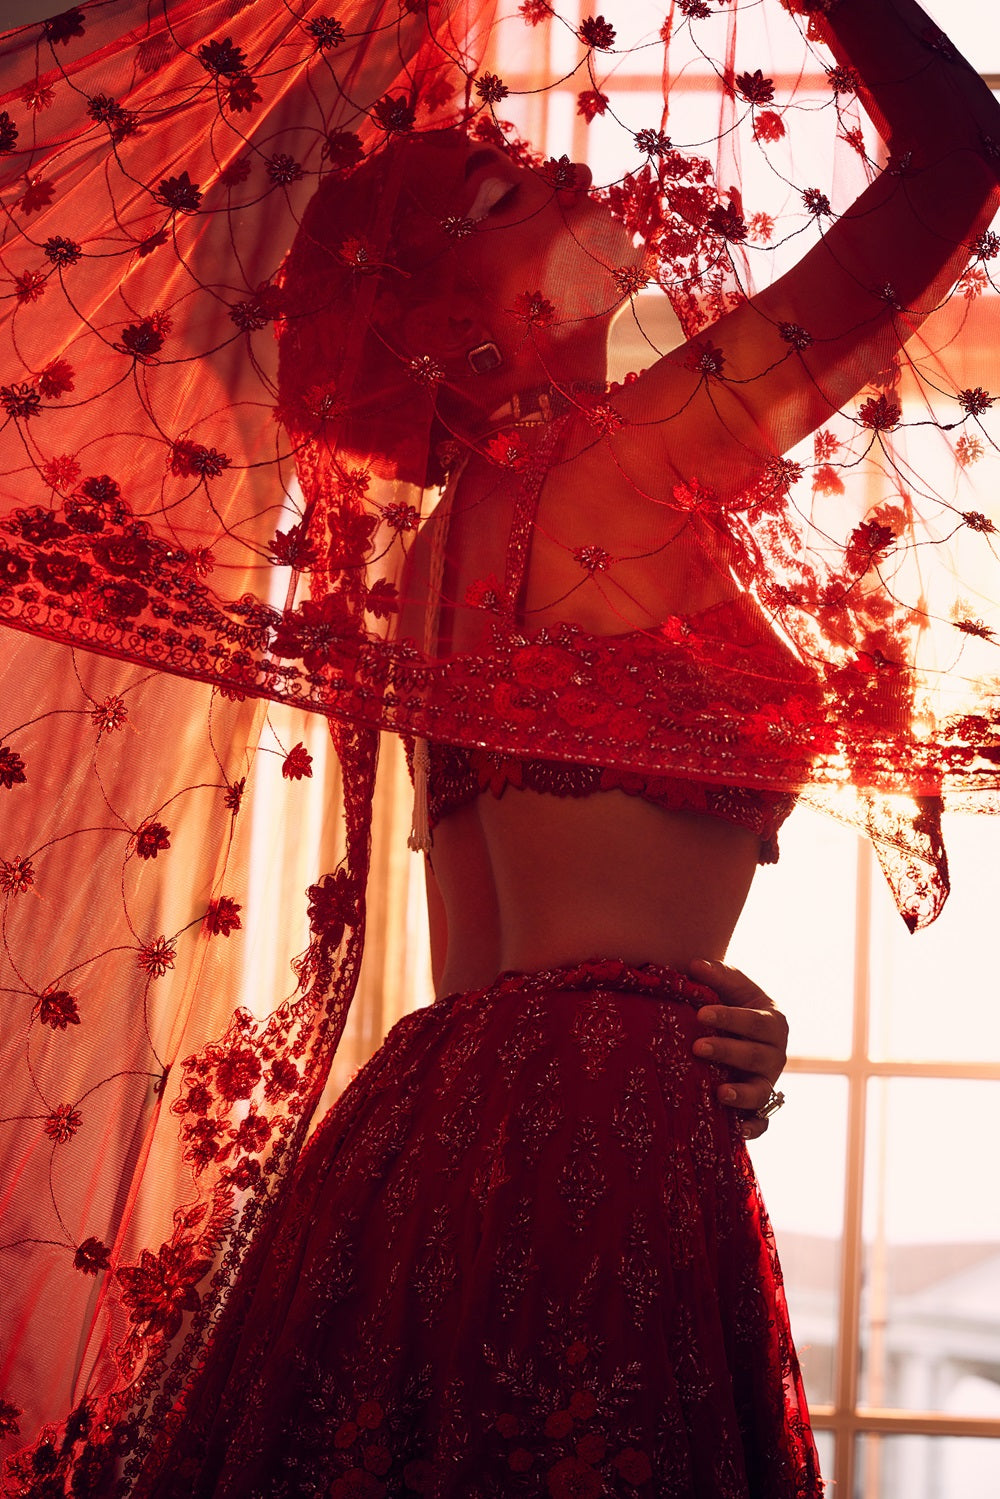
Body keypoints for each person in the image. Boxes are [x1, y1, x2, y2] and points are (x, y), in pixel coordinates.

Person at [0, 0, 998, 1495]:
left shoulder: (432, 559)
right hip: (592, 1129)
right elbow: (957, 161)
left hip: (428, 1126)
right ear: (454, 303)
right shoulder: (627, 460)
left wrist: (674, 1017)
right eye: (499, 186)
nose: (568, 173)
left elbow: (537, 947)